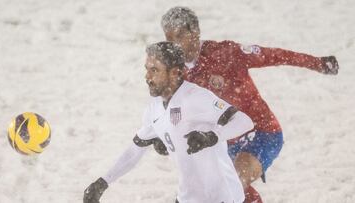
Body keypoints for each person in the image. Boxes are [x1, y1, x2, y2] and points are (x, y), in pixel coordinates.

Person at [151, 6, 340, 203]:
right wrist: (162, 137)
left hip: (262, 132)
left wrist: (317, 63)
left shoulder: (227, 53)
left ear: (195, 31)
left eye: (179, 36)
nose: (174, 45)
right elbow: (172, 112)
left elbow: (273, 55)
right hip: (222, 142)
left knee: (231, 184)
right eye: (169, 39)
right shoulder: (177, 75)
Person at [83, 41, 255, 203]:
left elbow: (245, 121)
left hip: (221, 197)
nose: (147, 77)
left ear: (175, 72)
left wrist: (212, 136)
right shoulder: (153, 110)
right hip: (187, 197)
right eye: (147, 69)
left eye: (154, 70)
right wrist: (103, 182)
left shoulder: (196, 97)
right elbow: (134, 151)